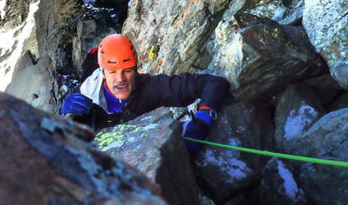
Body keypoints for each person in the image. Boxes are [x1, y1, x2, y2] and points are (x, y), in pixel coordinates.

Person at [61, 34, 229, 155]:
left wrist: (203, 120)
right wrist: (63, 118)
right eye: (113, 72)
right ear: (103, 73)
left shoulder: (150, 87)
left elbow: (214, 83)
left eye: (127, 71)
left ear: (136, 69)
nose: (120, 80)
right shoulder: (84, 100)